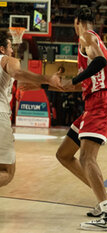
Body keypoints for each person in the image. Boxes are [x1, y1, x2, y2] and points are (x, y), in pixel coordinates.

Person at [54, 7, 107, 231]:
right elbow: (93, 77)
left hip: (101, 101)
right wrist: (69, 86)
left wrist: (74, 79)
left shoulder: (86, 36)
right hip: (94, 101)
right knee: (64, 154)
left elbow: (100, 62)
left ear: (77, 23)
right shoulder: (93, 38)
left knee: (86, 158)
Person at [0, 31, 60, 188]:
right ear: (2, 49)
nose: (12, 50)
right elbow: (18, 74)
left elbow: (20, 84)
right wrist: (47, 78)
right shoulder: (7, 60)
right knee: (7, 171)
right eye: (9, 47)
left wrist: (47, 84)